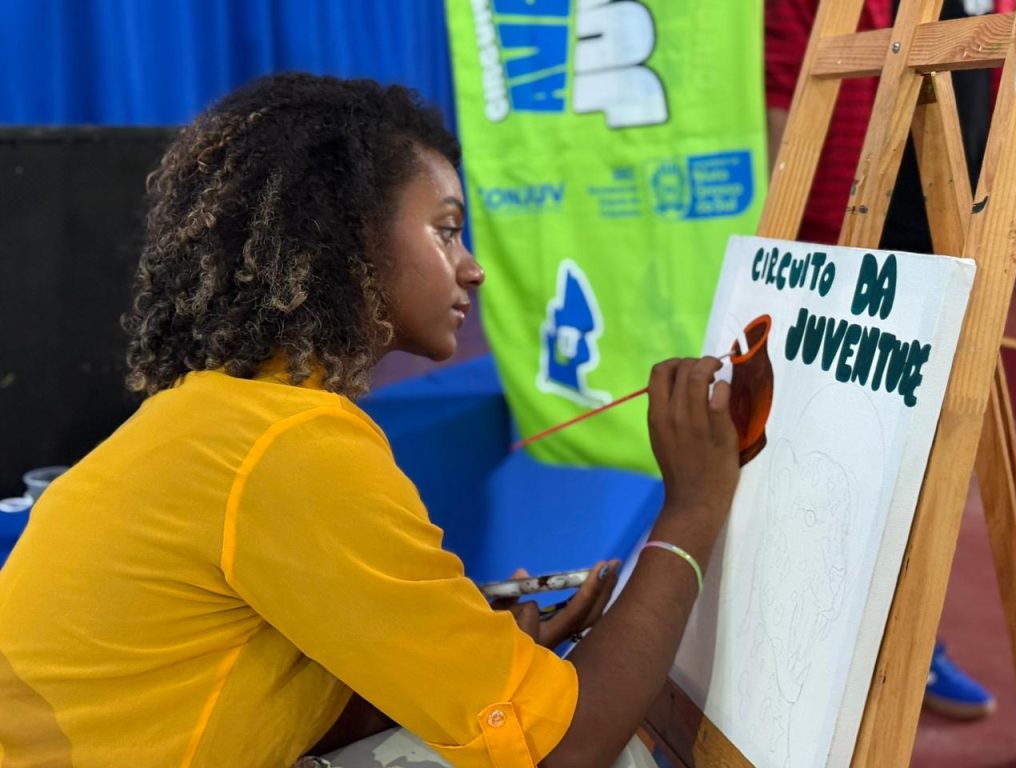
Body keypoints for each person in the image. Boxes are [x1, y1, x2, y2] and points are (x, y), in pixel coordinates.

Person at [0, 73, 741, 767]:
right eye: (446, 230)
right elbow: (565, 749)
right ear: (350, 236)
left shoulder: (224, 413)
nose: (472, 267)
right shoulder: (289, 446)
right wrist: (693, 509)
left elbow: (244, 695)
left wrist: (467, 656)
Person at [765, 0, 997, 721]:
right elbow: (784, 99)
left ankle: (909, 646)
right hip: (848, 254)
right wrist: (804, 253)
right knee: (827, 466)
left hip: (961, 247)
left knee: (926, 470)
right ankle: (802, 650)